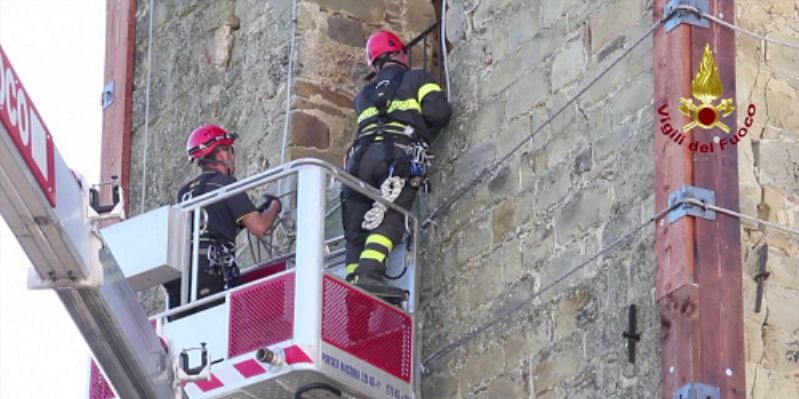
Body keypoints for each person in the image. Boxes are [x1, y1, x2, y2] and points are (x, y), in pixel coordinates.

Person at [342, 30, 452, 297]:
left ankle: (351, 294)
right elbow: (439, 112)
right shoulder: (417, 78)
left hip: (357, 163)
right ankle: (370, 274)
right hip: (393, 157)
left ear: (375, 64)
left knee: (355, 233)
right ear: (401, 53)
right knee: (391, 216)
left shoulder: (363, 96)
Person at [164, 124, 281, 312]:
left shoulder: (185, 192)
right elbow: (260, 227)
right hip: (212, 274)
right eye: (231, 151)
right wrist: (275, 206)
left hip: (182, 277)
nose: (234, 157)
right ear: (222, 154)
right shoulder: (225, 185)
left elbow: (210, 226)